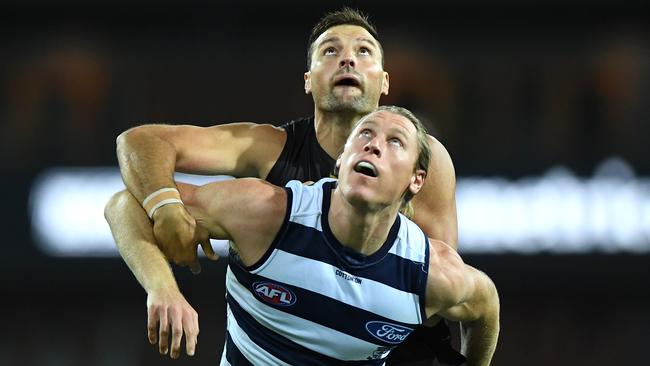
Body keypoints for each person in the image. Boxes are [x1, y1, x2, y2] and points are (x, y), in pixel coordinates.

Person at [113, 8, 460, 364]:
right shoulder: (268, 152)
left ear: (384, 82)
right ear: (308, 80)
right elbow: (139, 146)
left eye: (363, 51)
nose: (347, 60)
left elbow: (439, 300)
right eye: (330, 50)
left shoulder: (424, 162)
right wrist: (165, 208)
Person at [105, 106, 500, 365]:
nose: (375, 145)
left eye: (395, 142)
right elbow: (124, 205)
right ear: (342, 160)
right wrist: (163, 288)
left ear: (417, 181)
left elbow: (486, 308)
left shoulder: (428, 274)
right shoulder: (268, 215)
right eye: (365, 134)